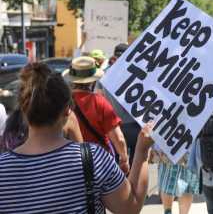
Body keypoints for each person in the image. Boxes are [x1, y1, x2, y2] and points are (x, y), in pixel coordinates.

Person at [0, 62, 154, 214]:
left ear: (24, 110)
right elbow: (130, 207)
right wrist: (142, 152)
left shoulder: (4, 167)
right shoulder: (93, 159)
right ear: (68, 110)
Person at [64, 56, 130, 173]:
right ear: (93, 81)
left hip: (71, 163)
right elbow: (118, 138)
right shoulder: (100, 102)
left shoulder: (63, 103)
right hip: (100, 162)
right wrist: (124, 159)